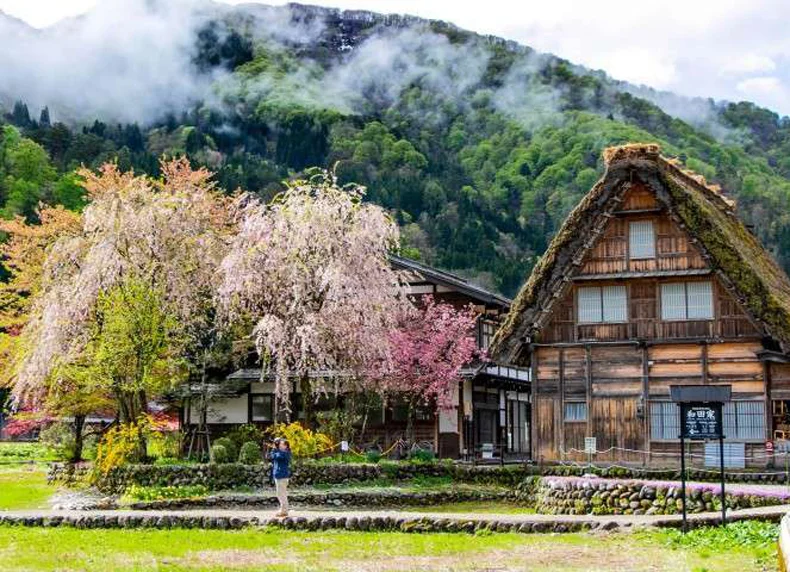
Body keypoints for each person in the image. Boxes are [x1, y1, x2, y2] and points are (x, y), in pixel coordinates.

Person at [268, 437, 292, 517]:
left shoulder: (285, 453)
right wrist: (274, 449)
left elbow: (276, 456)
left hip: (281, 476)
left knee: (281, 494)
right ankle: (283, 510)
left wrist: (274, 449)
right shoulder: (281, 452)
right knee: (281, 494)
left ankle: (284, 511)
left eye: (281, 444)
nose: (279, 445)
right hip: (279, 476)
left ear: (285, 446)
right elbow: (270, 456)